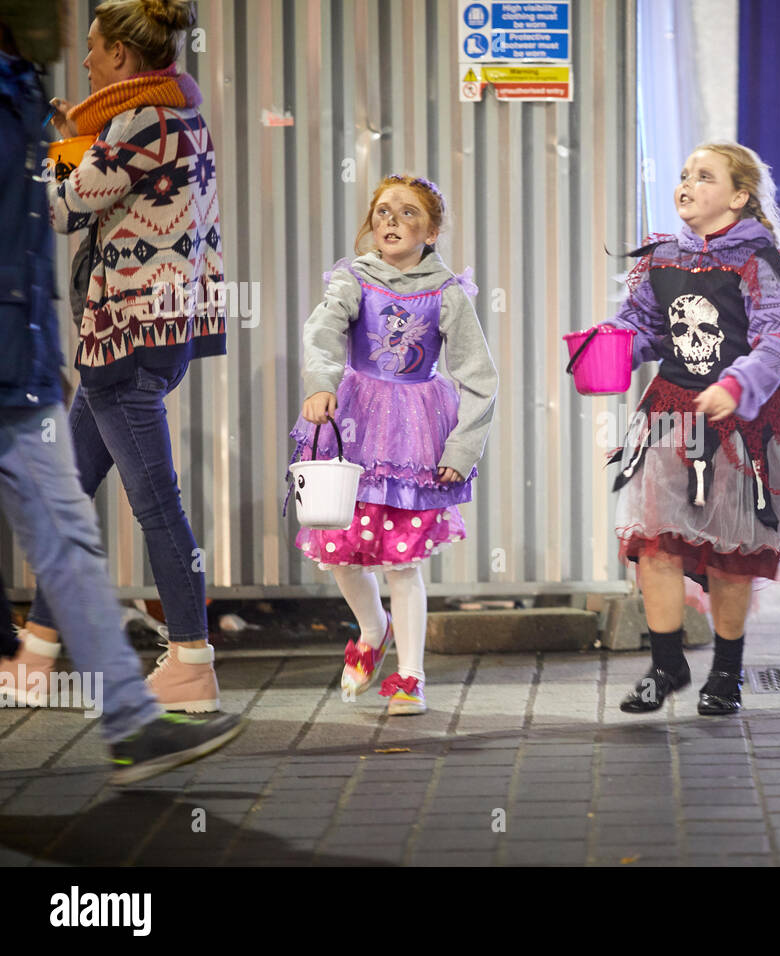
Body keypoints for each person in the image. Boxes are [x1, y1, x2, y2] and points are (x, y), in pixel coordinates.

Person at [0, 0, 243, 784]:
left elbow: (64, 207)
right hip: (152, 332)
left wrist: (56, 145)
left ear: (123, 58)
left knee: (156, 500)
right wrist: (77, 138)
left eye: (97, 51)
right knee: (68, 491)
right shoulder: (176, 114)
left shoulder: (141, 121)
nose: (87, 62)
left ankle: (193, 659)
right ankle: (36, 654)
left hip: (127, 336)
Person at [598, 141, 780, 716]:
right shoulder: (661, 257)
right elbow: (646, 328)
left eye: (704, 176)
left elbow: (777, 338)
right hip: (672, 409)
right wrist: (611, 347)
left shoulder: (762, 261)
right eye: (683, 175)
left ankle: (726, 672)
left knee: (731, 549)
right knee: (657, 539)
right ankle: (666, 664)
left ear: (739, 196)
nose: (687, 184)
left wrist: (736, 385)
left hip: (744, 419)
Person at [291, 174, 497, 716]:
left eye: (408, 214)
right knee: (340, 549)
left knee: (402, 563)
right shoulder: (354, 279)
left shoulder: (447, 292)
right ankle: (371, 626)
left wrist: (462, 449)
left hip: (413, 436)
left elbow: (479, 376)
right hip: (355, 427)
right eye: (383, 211)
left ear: (430, 231)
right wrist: (320, 383)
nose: (391, 221)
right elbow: (324, 331)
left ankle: (410, 678)